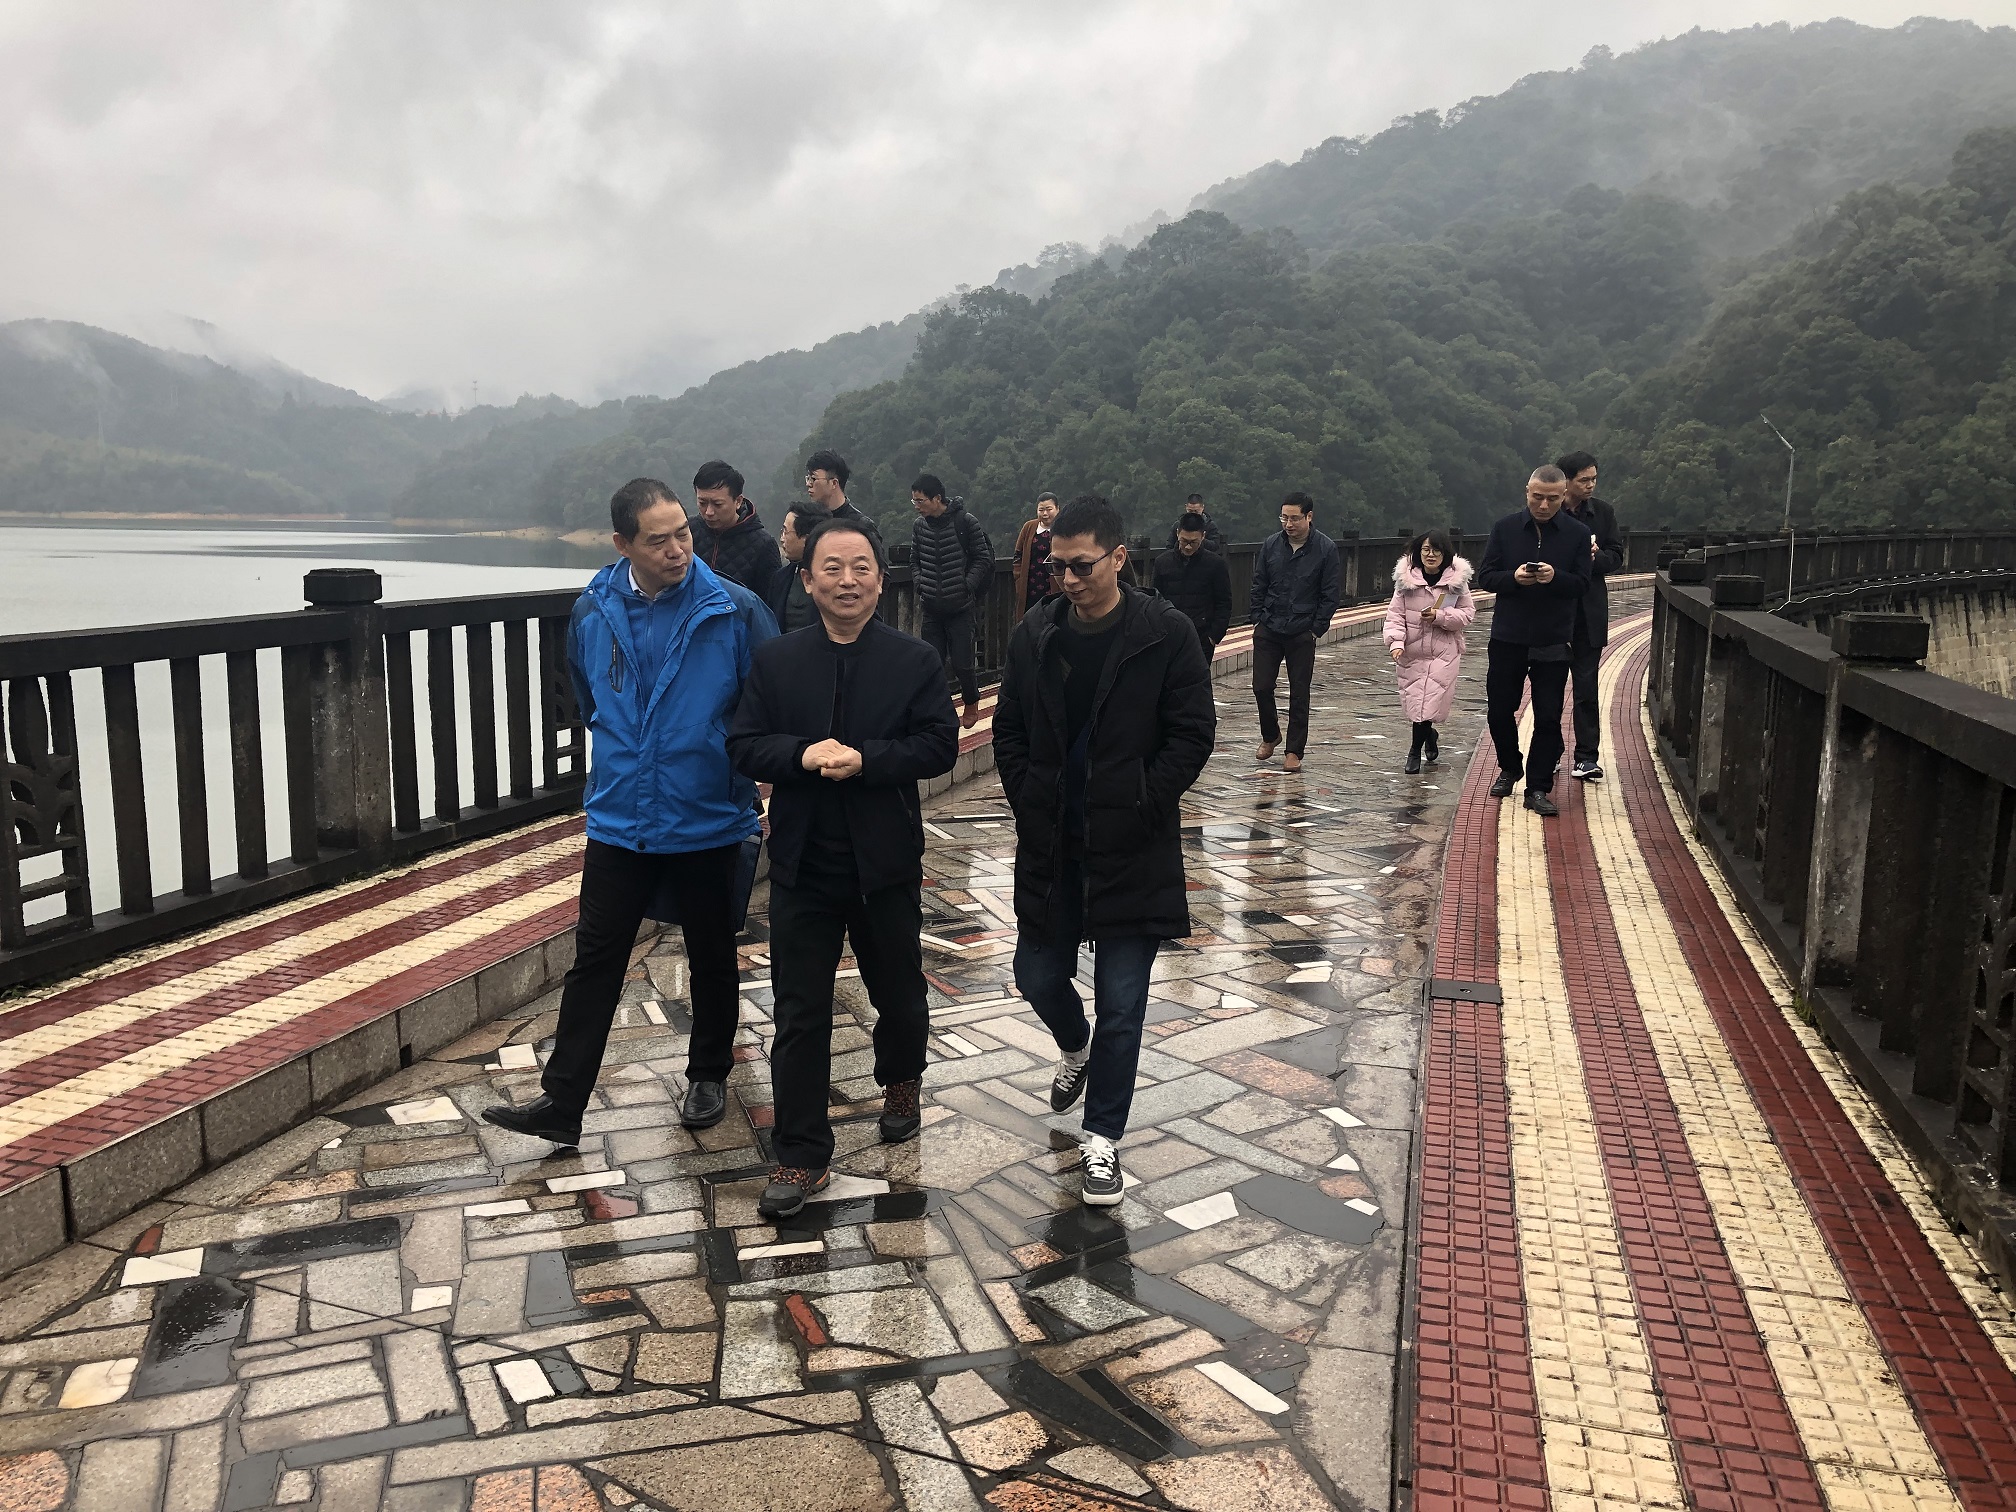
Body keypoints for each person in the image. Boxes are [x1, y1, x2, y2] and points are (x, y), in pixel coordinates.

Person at [483, 479, 779, 1147]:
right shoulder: (593, 610)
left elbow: (770, 699)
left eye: (684, 533)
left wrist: (729, 762)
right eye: (659, 540)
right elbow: (589, 698)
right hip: (620, 815)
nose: (678, 550)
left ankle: (708, 1074)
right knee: (596, 959)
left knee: (711, 952)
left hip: (708, 811)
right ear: (622, 544)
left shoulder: (735, 610)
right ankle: (562, 1102)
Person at [729, 518, 958, 1219]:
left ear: (881, 581)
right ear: (808, 580)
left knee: (899, 992)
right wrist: (800, 755)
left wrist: (869, 760)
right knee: (799, 1010)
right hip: (804, 863)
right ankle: (801, 1153)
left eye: (861, 567)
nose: (847, 580)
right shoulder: (777, 661)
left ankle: (902, 1080)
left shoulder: (914, 660)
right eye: (832, 567)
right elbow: (744, 743)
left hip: (885, 859)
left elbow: (938, 746)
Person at [995, 494, 1215, 1206]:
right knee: (1036, 975)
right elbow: (1009, 729)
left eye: (1081, 565)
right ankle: (1074, 1046)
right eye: (1058, 565)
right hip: (1053, 841)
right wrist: (1029, 794)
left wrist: (1143, 798)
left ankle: (1102, 1140)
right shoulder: (1036, 634)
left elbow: (1193, 732)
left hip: (1132, 844)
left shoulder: (1164, 634)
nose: (1067, 579)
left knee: (1123, 1003)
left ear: (1118, 558)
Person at [1476, 466, 1593, 817]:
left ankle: (1538, 787)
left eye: (1552, 499)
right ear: (1526, 491)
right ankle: (1510, 766)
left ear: (1564, 496)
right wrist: (1513, 578)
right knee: (1499, 710)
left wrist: (1555, 577)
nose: (1543, 505)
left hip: (1553, 637)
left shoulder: (1577, 533)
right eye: (1537, 497)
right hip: (1508, 635)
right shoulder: (1505, 528)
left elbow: (1582, 584)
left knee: (1548, 717)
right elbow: (1486, 576)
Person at [1248, 491, 1342, 774]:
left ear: (1309, 517)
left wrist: (1316, 628)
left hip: (1302, 629)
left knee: (1299, 692)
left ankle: (1294, 750)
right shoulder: (1271, 545)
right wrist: (1256, 618)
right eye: (1284, 518)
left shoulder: (1325, 549)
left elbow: (1330, 593)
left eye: (1294, 518)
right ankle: (1270, 735)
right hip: (1269, 625)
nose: (1288, 524)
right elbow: (1259, 583)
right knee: (1261, 686)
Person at [1556, 451, 1625, 781]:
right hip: (1554, 611)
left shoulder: (1602, 513)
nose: (1590, 485)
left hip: (1588, 611)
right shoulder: (1549, 510)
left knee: (1586, 687)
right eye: (1584, 480)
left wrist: (1595, 558)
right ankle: (1549, 752)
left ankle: (1586, 757)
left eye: (1594, 479)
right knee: (1549, 687)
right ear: (1566, 481)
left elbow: (1617, 556)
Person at [1384, 529, 1477, 774]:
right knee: (1417, 703)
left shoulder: (1456, 583)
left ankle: (1414, 751)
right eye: (1426, 550)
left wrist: (1440, 616)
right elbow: (1395, 615)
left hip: (1444, 653)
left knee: (1429, 701)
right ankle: (1429, 736)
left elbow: (1467, 614)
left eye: (1436, 550)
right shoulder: (1406, 581)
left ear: (1445, 554)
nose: (1430, 555)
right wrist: (1396, 642)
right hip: (1412, 652)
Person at [909, 473, 994, 729]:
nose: (917, 506)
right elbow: (914, 560)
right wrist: (920, 582)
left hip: (960, 607)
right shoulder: (919, 526)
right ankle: (938, 709)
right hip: (931, 607)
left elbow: (982, 558)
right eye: (914, 501)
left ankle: (971, 700)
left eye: (921, 501)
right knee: (931, 662)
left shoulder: (965, 522)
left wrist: (967, 585)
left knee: (962, 662)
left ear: (937, 498)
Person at [691, 459, 780, 605]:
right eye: (702, 503)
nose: (709, 512)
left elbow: (769, 604)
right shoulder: (687, 532)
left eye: (717, 504)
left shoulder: (763, 545)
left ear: (738, 501)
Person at [1153, 511, 1232, 658]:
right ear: (1177, 534)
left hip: (1201, 637)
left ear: (1203, 536)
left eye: (1193, 542)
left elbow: (1224, 602)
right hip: (1168, 636)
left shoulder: (1216, 565)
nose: (1188, 547)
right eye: (1184, 541)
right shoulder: (1162, 562)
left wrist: (1214, 636)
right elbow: (1155, 600)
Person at [803, 448, 883, 554]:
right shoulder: (808, 522)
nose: (808, 484)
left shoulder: (861, 525)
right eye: (808, 478)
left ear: (834, 483)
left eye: (813, 479)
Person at [765, 503, 823, 633]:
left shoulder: (833, 580)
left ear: (807, 539)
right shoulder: (780, 578)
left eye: (786, 532)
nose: (782, 539)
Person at [1013, 493, 1059, 617]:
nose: (1045, 513)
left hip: (1054, 585)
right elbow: (1018, 555)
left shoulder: (1063, 528)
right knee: (1029, 618)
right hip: (1030, 586)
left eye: (1049, 509)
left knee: (1052, 617)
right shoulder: (1029, 527)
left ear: (1057, 509)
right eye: (1041, 510)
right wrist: (1019, 579)